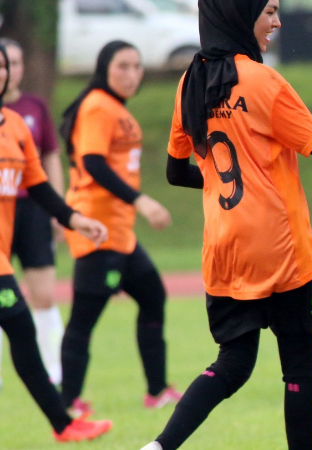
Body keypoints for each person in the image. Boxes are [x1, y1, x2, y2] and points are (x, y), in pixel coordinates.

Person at [139, 0, 312, 450]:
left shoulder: (189, 84)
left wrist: (221, 177)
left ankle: (159, 446)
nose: (277, 22)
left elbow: (177, 171)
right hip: (279, 248)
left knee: (233, 363)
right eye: (269, 12)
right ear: (241, 15)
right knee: (301, 366)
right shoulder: (263, 82)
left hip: (224, 247)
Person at [0, 42, 114, 443]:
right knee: (19, 328)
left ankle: (64, 424)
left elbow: (40, 187)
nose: (0, 73)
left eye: (2, 66)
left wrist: (76, 219)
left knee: (22, 333)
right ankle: (64, 424)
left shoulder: (15, 126)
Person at [58, 41, 180, 417]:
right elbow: (92, 162)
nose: (131, 74)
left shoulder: (114, 108)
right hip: (96, 228)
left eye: (137, 66)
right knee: (84, 318)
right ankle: (66, 405)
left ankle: (157, 391)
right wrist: (140, 200)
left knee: (153, 297)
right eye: (122, 66)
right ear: (103, 68)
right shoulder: (97, 104)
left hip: (120, 233)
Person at [1, 36, 66, 386]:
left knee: (43, 292)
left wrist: (59, 208)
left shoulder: (34, 107)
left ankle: (53, 370)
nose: (9, 71)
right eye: (3, 63)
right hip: (2, 211)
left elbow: (50, 158)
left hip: (34, 210)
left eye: (15, 63)